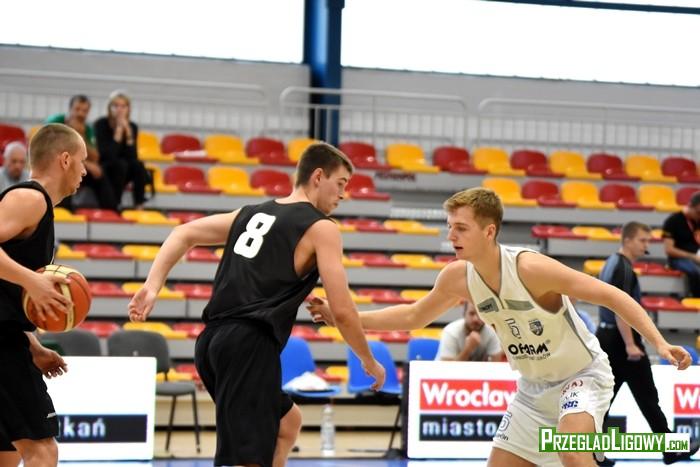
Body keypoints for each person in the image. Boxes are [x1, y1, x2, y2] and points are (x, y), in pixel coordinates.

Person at [309, 187, 692, 467]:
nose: (451, 236)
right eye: (450, 227)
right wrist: (344, 316)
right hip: (532, 389)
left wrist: (659, 343)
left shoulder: (531, 268)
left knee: (572, 451)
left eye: (461, 228)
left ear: (489, 232)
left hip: (582, 375)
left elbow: (613, 295)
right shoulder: (458, 277)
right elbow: (413, 316)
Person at [127, 142, 385, 467]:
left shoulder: (250, 213)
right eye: (341, 183)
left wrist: (152, 286)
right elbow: (345, 311)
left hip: (211, 344)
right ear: (318, 176)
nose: (343, 194)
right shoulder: (321, 228)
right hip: (249, 345)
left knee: (287, 424)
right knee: (246, 459)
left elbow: (183, 233)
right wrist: (368, 359)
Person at [0, 123, 87, 466]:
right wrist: (33, 282)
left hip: (8, 337)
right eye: (81, 161)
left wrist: (33, 345)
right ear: (65, 160)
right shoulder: (30, 198)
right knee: (42, 450)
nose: (84, 171)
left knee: (7, 454)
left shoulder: (38, 207)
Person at [596, 221, 699, 466]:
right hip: (621, 342)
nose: (646, 245)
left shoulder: (612, 263)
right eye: (642, 240)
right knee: (642, 398)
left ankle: (594, 453)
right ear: (628, 240)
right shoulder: (622, 268)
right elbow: (620, 308)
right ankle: (669, 449)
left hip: (609, 338)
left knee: (611, 399)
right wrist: (630, 344)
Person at [46, 95, 117, 210]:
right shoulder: (55, 122)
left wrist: (80, 135)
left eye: (84, 111)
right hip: (56, 166)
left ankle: (110, 211)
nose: (80, 114)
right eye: (77, 109)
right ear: (70, 109)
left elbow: (95, 157)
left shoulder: (87, 129)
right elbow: (52, 149)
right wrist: (85, 163)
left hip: (78, 166)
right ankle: (63, 210)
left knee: (100, 172)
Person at [93, 90, 149, 209]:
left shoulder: (132, 126)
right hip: (107, 166)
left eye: (123, 106)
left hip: (125, 167)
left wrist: (128, 133)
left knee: (138, 165)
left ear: (128, 109)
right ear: (110, 108)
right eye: (116, 106)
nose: (120, 109)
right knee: (120, 164)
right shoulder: (101, 124)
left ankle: (139, 203)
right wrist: (118, 131)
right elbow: (107, 155)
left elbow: (133, 157)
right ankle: (115, 203)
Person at [436, 300, 503, 362]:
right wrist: (468, 349)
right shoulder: (450, 331)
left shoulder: (491, 332)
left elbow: (496, 363)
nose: (476, 319)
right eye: (471, 313)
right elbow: (447, 368)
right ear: (464, 314)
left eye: (480, 314)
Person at [662, 191, 700, 297]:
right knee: (695, 271)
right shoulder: (673, 221)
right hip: (678, 258)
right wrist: (692, 257)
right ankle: (695, 298)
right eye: (698, 212)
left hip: (696, 254)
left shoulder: (697, 220)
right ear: (690, 206)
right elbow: (669, 250)